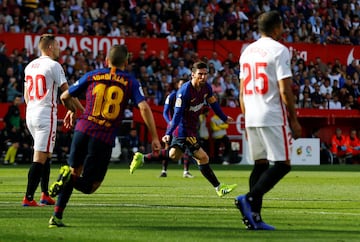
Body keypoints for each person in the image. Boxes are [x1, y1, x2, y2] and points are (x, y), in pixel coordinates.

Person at [47, 44, 161, 228]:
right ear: (127, 61)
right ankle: (67, 180)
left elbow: (65, 96)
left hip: (82, 129)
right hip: (103, 136)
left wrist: (73, 111)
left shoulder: (93, 75)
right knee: (91, 186)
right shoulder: (130, 81)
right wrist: (154, 137)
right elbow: (144, 108)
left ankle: (57, 216)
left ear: (107, 60)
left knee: (73, 170)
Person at [236, 11, 302, 230]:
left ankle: (253, 218)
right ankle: (250, 199)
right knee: (283, 165)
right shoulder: (279, 50)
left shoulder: (246, 52)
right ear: (277, 28)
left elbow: (241, 92)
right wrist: (293, 119)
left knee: (260, 164)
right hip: (271, 113)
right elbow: (284, 89)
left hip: (251, 113)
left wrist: (245, 118)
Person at [130, 61, 237, 197]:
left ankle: (142, 158)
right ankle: (219, 188)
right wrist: (168, 133)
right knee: (203, 157)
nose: (203, 77)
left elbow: (213, 104)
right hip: (183, 129)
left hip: (191, 127)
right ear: (192, 75)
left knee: (174, 155)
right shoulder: (184, 92)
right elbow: (176, 115)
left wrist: (223, 117)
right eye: (200, 74)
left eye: (205, 74)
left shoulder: (206, 88)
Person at [22, 34, 83, 207]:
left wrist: (34, 108)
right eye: (57, 46)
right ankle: (28, 197)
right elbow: (67, 92)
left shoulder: (29, 66)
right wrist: (81, 110)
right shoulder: (54, 65)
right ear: (49, 47)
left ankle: (45, 194)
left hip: (31, 113)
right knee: (40, 157)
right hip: (45, 114)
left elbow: (27, 95)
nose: (59, 49)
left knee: (46, 154)